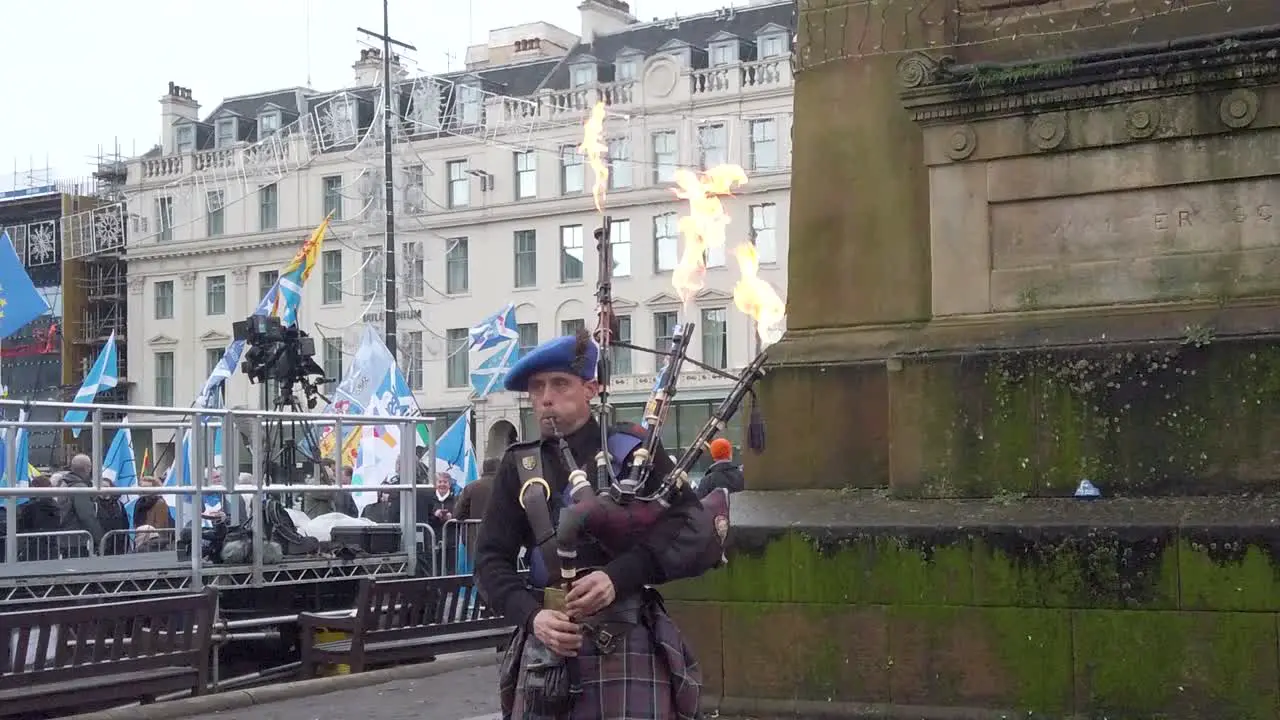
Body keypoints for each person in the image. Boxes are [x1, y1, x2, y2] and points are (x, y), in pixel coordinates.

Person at [474, 330, 710, 719]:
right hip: (548, 649)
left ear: (591, 388)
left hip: (627, 633)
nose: (546, 397)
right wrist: (533, 616)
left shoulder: (635, 452)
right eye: (536, 388)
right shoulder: (520, 466)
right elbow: (489, 559)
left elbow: (690, 527)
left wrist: (618, 576)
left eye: (559, 384)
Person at [455, 457, 497, 522]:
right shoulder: (507, 486)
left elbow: (458, 513)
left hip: (476, 530)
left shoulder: (470, 487)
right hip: (501, 530)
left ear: (483, 469)